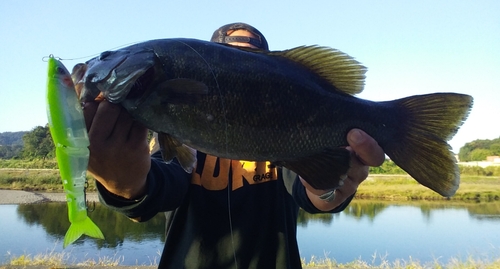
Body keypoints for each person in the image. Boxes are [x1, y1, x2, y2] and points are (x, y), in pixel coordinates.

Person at [83, 22, 385, 269]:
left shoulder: (287, 141)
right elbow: (161, 186)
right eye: (228, 61)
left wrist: (330, 189)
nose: (237, 77)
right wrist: (123, 184)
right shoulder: (176, 133)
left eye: (249, 65)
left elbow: (310, 192)